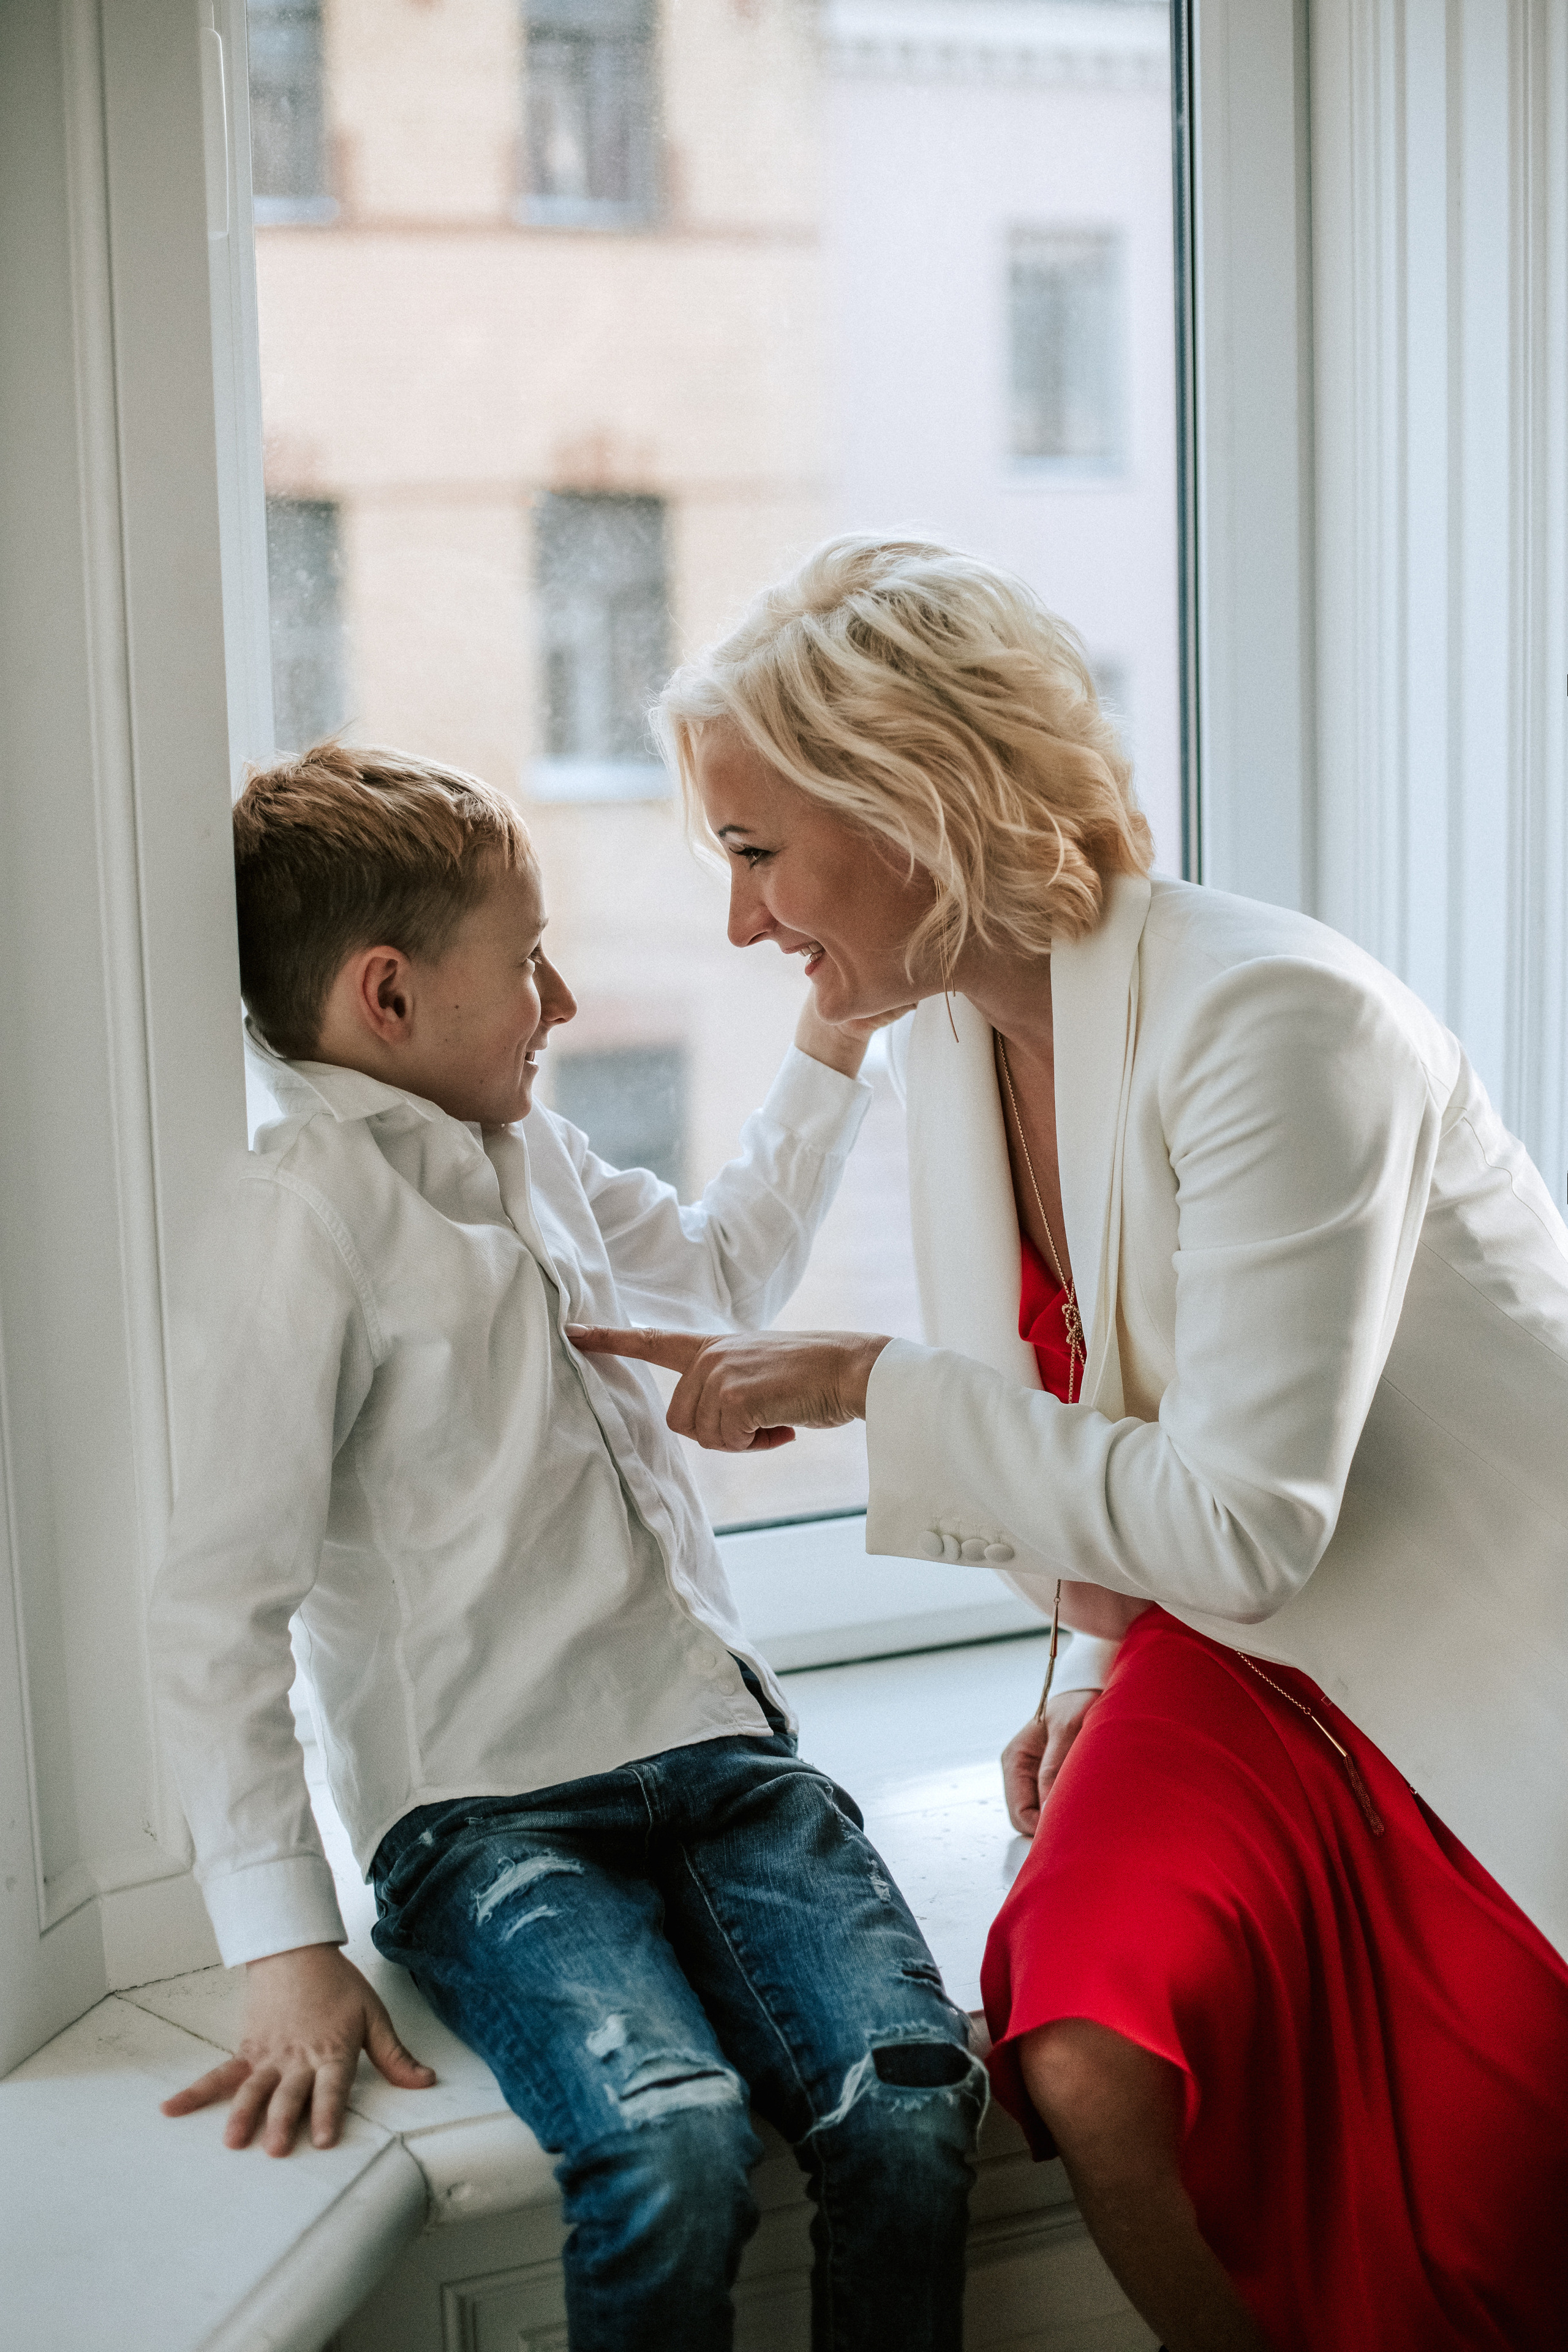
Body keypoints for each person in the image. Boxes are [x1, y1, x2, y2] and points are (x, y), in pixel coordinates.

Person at [570, 536, 1568, 2352]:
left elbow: (1247, 1523)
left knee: (1494, 2213)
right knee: (1088, 2054)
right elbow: (1120, 1447)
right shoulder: (951, 1041)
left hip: (1478, 1664)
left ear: (920, 807)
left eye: (754, 850)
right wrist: (1101, 1666)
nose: (741, 924)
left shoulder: (1278, 1022)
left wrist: (871, 1385)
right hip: (1234, 1659)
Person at [148, 744, 986, 2352]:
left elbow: (725, 1271)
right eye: (527, 963)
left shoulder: (542, 1157)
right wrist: (284, 1944)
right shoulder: (301, 1215)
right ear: (388, 999)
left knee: (907, 2104)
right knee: (668, 2140)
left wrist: (826, 1044)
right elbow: (216, 1609)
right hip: (487, 1812)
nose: (566, 1002)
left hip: (722, 1765)